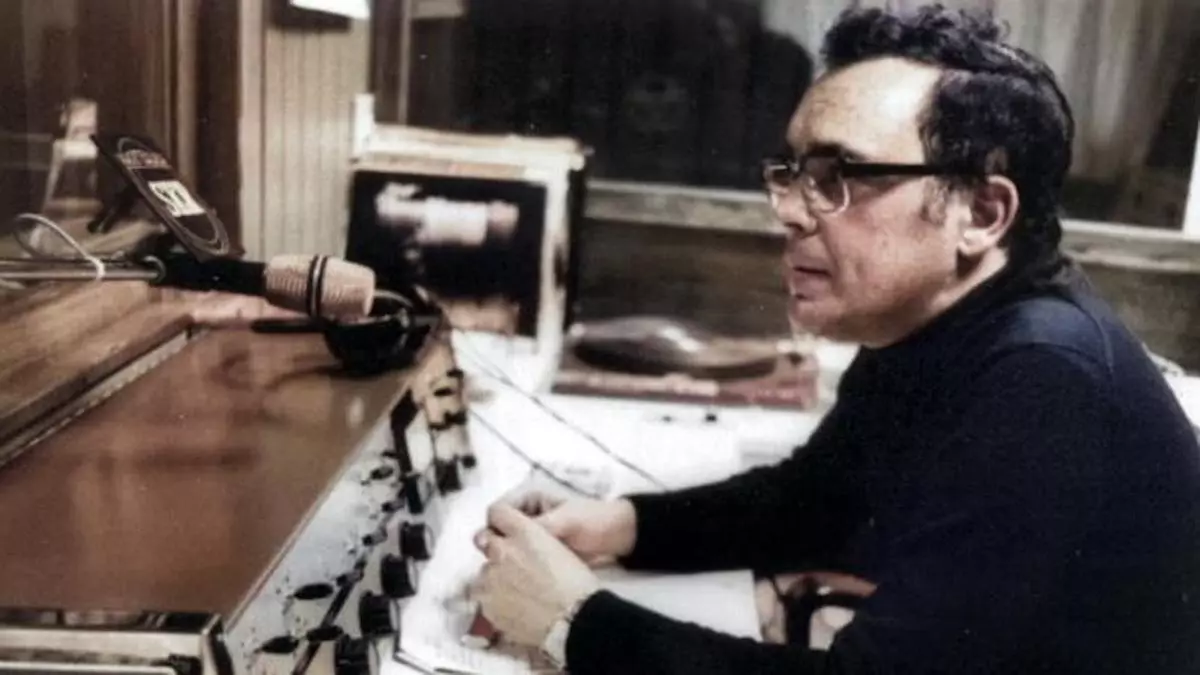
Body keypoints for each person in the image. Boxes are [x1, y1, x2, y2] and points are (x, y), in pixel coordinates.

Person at [470, 4, 1200, 674]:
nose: (790, 210)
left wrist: (573, 621)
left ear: (981, 213)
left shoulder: (1045, 375)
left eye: (838, 175)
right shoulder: (936, 320)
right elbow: (818, 499)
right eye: (791, 172)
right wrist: (622, 525)